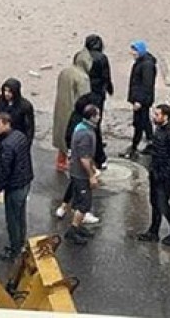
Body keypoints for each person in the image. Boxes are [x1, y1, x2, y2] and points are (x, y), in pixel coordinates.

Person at [0, 78, 33, 210]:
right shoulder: (0, 101)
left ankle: (14, 202)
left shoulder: (25, 106)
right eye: (5, 90)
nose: (7, 94)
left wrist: (26, 146)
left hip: (15, 144)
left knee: (10, 172)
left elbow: (29, 128)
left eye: (10, 91)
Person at [0, 112, 35, 260]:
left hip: (14, 186)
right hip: (25, 182)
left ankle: (14, 249)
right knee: (20, 216)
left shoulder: (7, 145)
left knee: (12, 220)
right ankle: (21, 243)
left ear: (7, 124)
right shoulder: (20, 136)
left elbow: (4, 170)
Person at [137, 104, 170, 246]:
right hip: (155, 172)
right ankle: (153, 231)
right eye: (154, 114)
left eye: (157, 115)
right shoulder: (159, 130)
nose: (154, 117)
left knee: (162, 204)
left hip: (166, 176)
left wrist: (162, 175)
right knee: (154, 202)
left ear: (166, 116)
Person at [61, 104, 101, 245]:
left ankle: (78, 226)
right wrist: (91, 175)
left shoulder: (81, 127)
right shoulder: (85, 134)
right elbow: (84, 158)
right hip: (80, 174)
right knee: (84, 203)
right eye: (97, 114)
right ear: (92, 117)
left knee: (78, 201)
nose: (99, 117)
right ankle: (73, 230)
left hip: (76, 171)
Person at [75, 34, 113, 167]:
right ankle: (99, 157)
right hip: (97, 94)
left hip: (83, 93)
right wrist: (109, 89)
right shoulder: (102, 58)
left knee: (82, 120)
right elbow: (106, 76)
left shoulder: (80, 56)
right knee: (95, 122)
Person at [53, 52, 92, 171]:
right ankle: (75, 165)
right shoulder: (83, 77)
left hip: (61, 108)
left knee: (62, 135)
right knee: (75, 139)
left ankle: (60, 161)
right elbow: (85, 98)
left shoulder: (65, 71)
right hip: (74, 112)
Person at [119, 41, 157, 160]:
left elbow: (147, 85)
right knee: (144, 121)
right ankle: (151, 142)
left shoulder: (146, 65)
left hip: (142, 101)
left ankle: (134, 147)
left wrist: (139, 101)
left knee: (139, 123)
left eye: (134, 51)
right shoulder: (142, 62)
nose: (132, 53)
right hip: (142, 99)